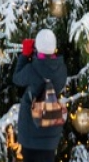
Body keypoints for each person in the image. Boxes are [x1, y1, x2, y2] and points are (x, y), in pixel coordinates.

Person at [13, 29, 69, 162]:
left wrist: (26, 55)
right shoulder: (62, 69)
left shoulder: (32, 69)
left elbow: (17, 78)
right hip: (51, 131)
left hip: (31, 132)